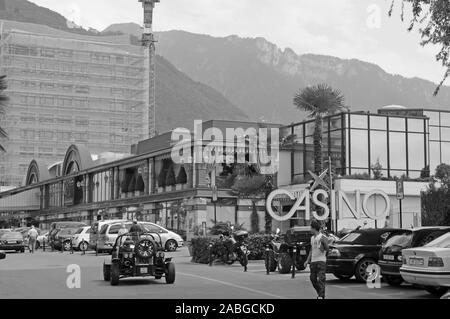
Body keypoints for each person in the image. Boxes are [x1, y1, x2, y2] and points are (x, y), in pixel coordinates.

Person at [304, 220, 329, 299]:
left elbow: (327, 248)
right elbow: (312, 250)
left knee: (321, 279)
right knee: (313, 279)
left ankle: (321, 296)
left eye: (311, 228)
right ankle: (320, 294)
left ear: (314, 228)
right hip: (313, 261)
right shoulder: (312, 238)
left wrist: (324, 244)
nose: (310, 230)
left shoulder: (322, 237)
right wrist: (307, 260)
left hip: (321, 261)